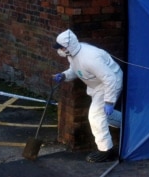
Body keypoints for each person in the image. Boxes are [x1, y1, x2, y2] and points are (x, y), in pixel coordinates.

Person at [52, 29, 123, 163]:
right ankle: (130, 122)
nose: (59, 50)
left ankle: (105, 150)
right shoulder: (73, 55)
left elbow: (110, 79)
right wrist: (65, 75)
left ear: (68, 47)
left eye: (60, 47)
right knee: (104, 116)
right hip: (98, 85)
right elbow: (76, 69)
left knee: (96, 116)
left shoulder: (90, 58)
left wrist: (109, 101)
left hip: (109, 83)